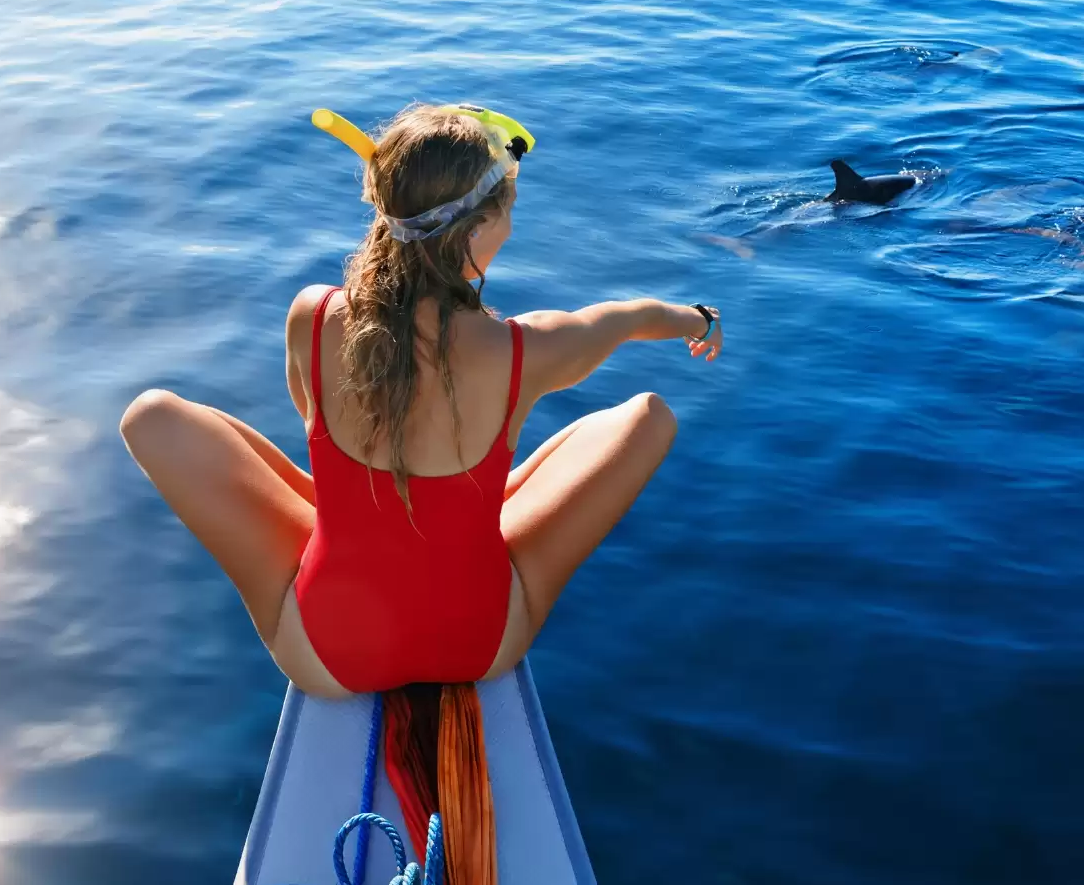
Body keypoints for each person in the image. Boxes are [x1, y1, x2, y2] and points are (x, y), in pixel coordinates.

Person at [119, 103, 722, 698]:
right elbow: (626, 319)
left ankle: (366, 520)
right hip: (482, 645)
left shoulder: (314, 313)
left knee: (151, 416)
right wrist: (700, 320)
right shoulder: (528, 349)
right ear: (481, 228)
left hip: (326, 656)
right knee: (648, 416)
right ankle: (456, 512)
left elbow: (307, 409)